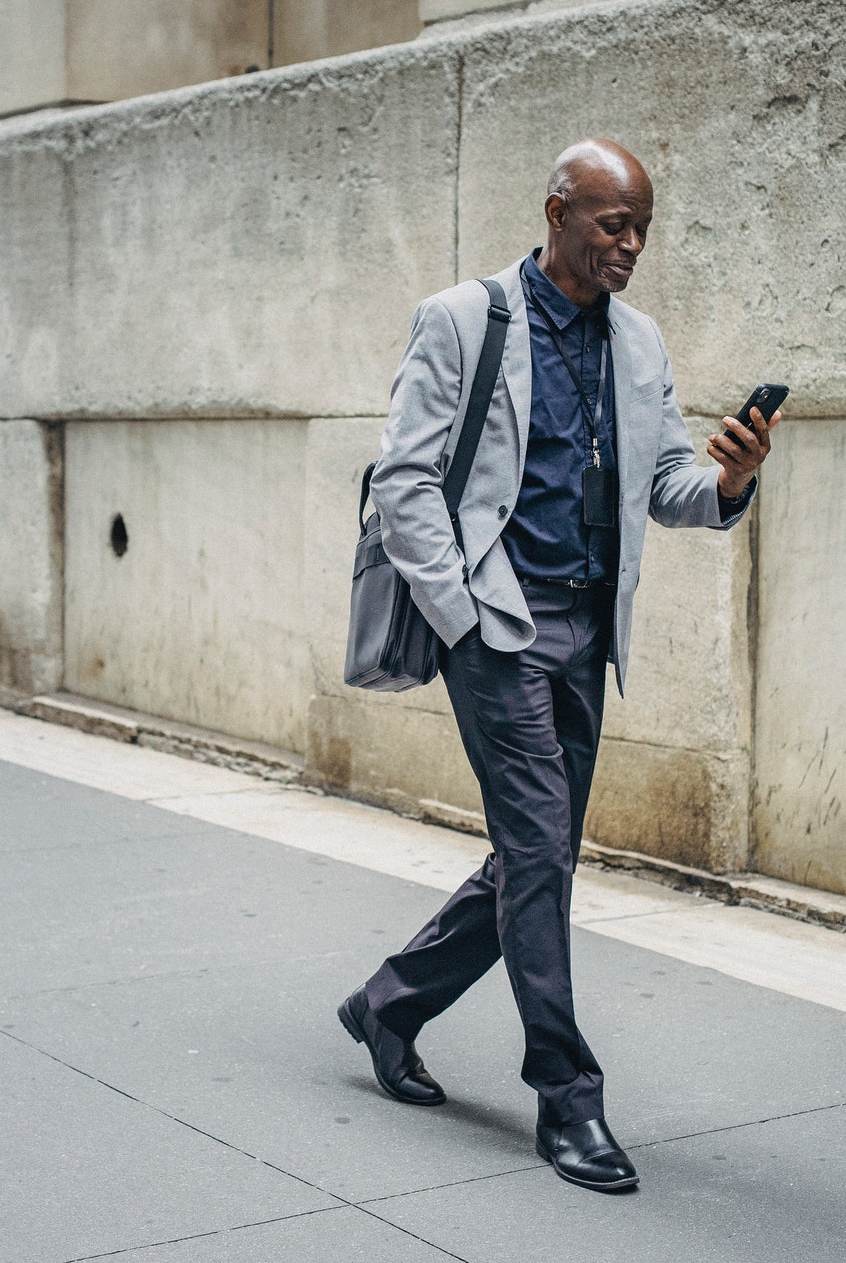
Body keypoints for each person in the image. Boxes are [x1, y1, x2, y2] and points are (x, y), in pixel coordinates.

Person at [338, 138, 779, 1193]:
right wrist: (461, 618)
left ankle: (389, 1003)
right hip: (497, 628)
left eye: (642, 229)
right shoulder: (464, 318)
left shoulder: (637, 341)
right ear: (558, 211)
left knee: (530, 858)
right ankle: (567, 1095)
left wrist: (728, 478)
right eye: (611, 224)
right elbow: (404, 481)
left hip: (587, 632)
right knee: (540, 851)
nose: (629, 245)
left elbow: (665, 482)